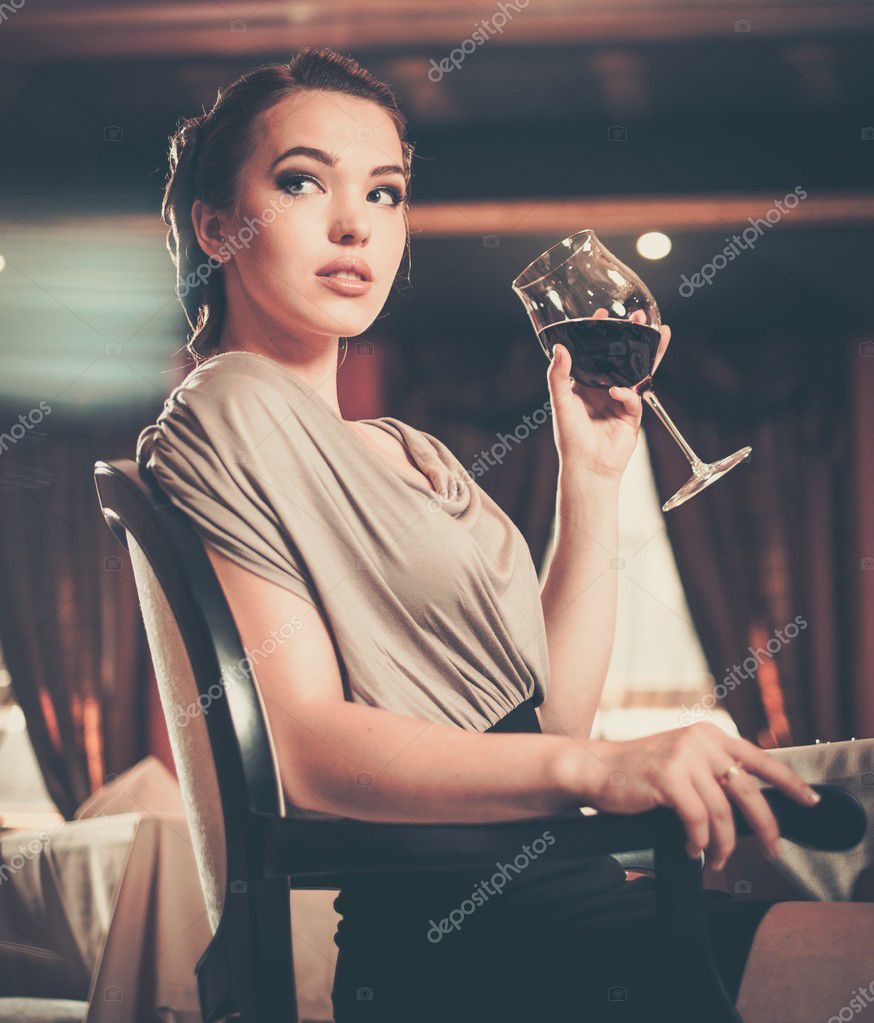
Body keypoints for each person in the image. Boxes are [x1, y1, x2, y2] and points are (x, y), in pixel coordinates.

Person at [136, 45, 874, 1023]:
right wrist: (601, 767)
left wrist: (593, 475)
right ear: (220, 225)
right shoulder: (228, 404)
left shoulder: (411, 452)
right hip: (467, 946)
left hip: (573, 901)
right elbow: (306, 749)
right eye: (302, 180)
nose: (356, 221)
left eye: (387, 192)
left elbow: (549, 716)